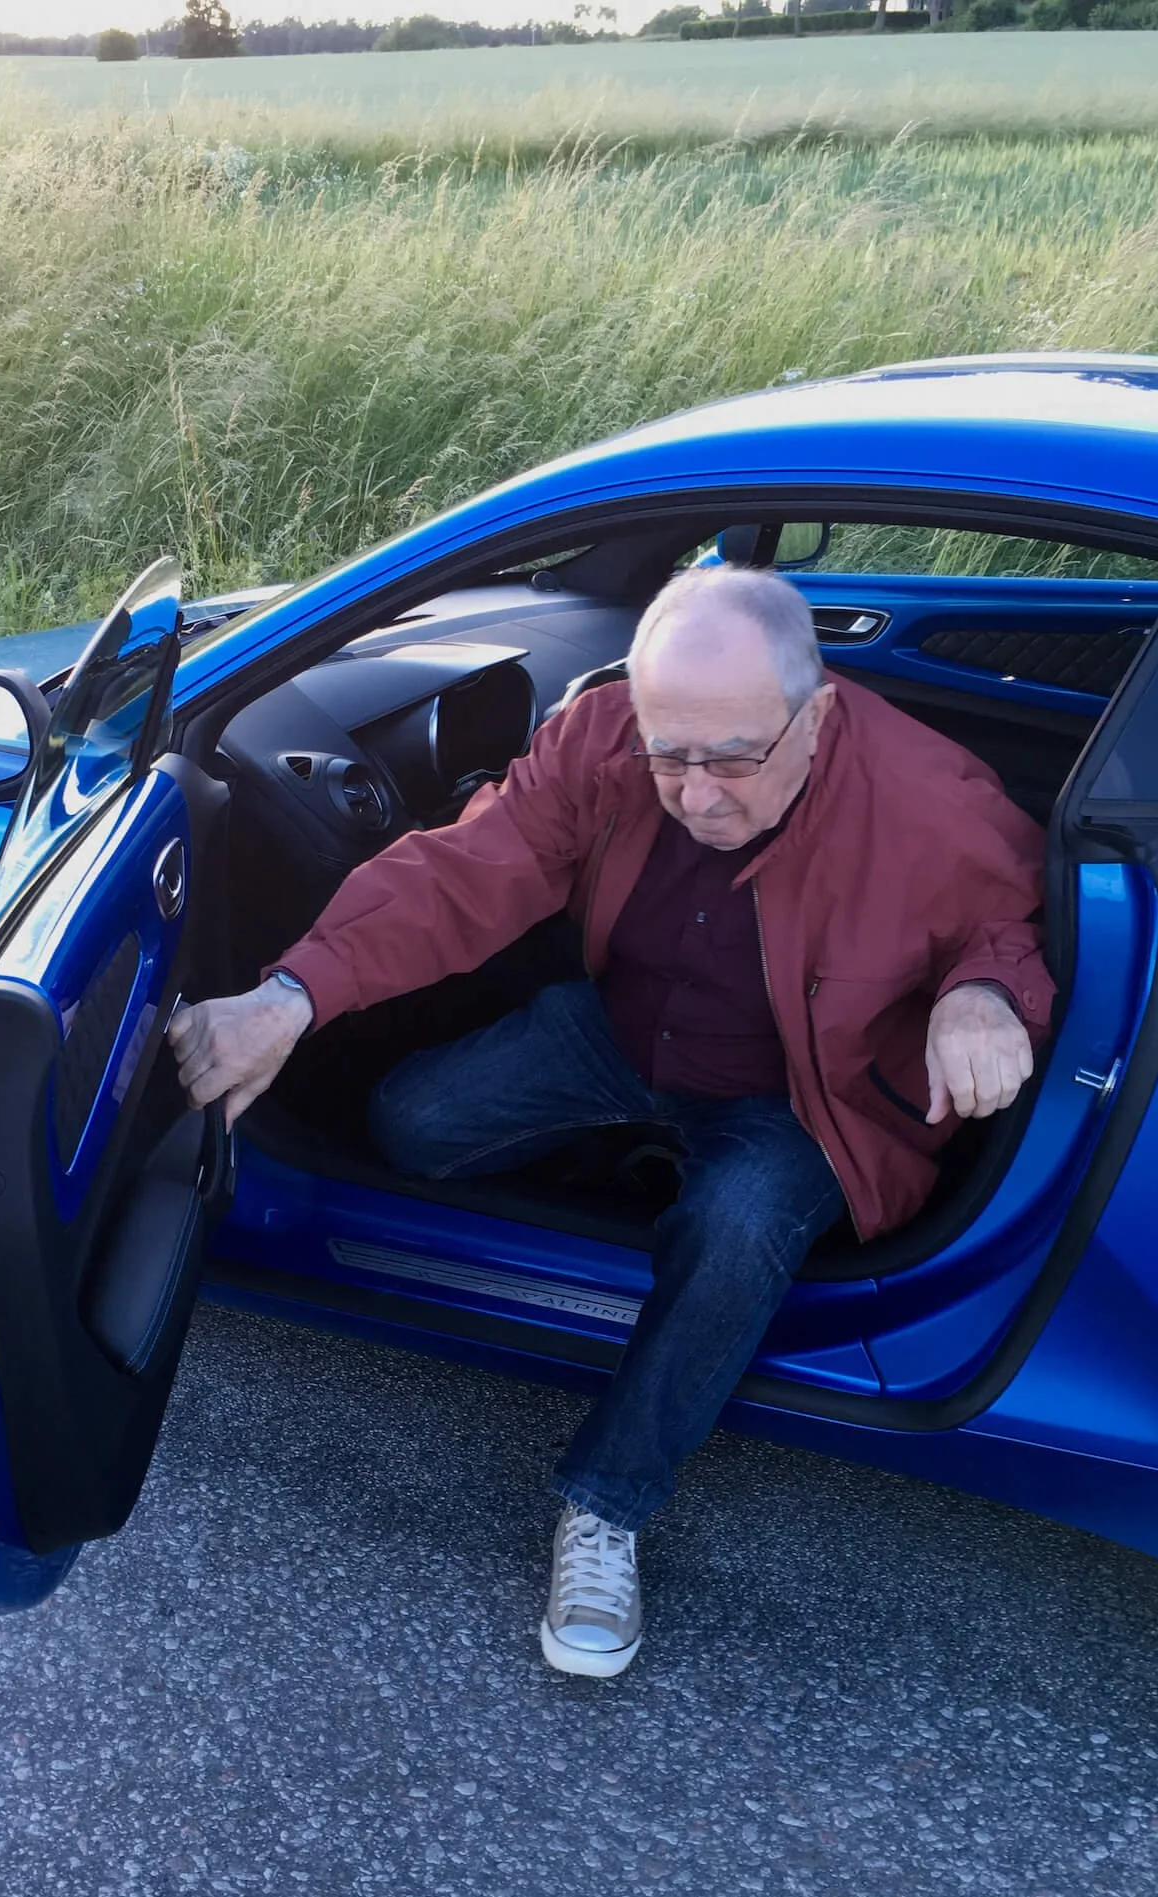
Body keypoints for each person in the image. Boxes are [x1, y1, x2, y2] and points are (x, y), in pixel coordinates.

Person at [170, 565, 1053, 1679]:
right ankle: (649, 1156)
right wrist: (289, 995)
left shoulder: (928, 796)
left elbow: (1010, 921)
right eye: (667, 754)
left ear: (817, 714)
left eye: (733, 757)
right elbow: (469, 868)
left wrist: (984, 999)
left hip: (797, 1092)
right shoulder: (603, 736)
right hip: (625, 1031)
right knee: (410, 1124)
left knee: (736, 1226)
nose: (696, 794)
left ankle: (609, 1507)